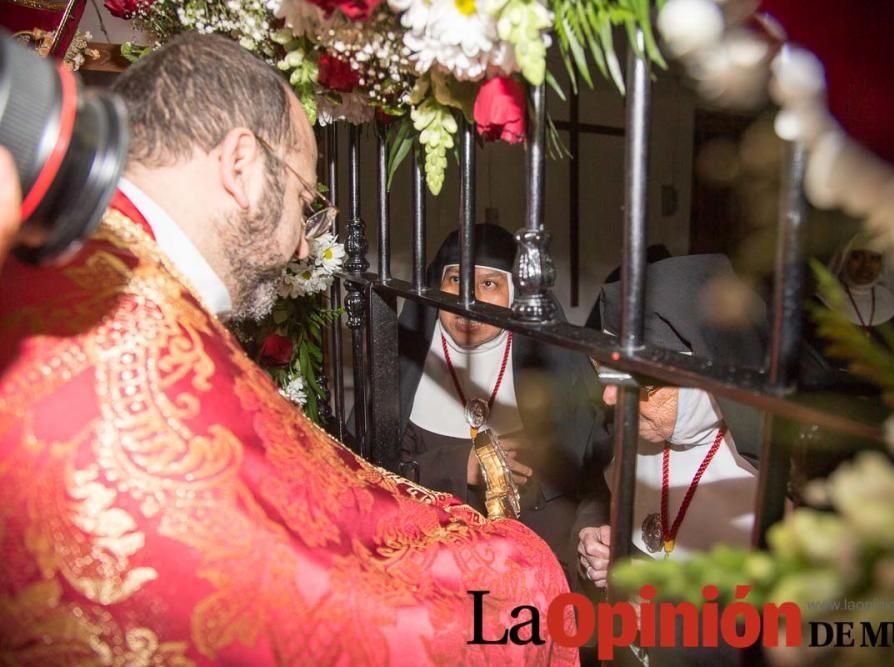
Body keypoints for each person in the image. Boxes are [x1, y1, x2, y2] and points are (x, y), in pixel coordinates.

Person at [0, 34, 576, 666]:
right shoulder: (135, 333)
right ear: (240, 165)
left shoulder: (93, 264)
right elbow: (289, 599)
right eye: (306, 201)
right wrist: (518, 580)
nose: (305, 247)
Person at [397, 223, 611, 573]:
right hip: (431, 563)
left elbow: (596, 482)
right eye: (456, 281)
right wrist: (456, 466)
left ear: (514, 293)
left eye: (489, 284)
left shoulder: (557, 368)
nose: (470, 300)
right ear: (438, 286)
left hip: (534, 567)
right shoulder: (403, 365)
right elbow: (369, 475)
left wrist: (587, 538)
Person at [576, 255, 768, 588]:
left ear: (707, 377)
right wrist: (594, 543)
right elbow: (595, 499)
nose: (609, 398)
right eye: (606, 372)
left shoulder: (781, 480)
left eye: (640, 381)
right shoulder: (625, 429)